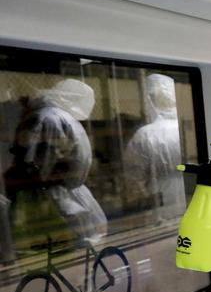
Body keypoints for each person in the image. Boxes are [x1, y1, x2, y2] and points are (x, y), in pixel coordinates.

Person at [8, 78, 107, 246]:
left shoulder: (49, 117)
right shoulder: (57, 117)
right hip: (63, 194)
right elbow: (48, 161)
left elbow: (40, 161)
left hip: (59, 194)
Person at [124, 74, 186, 224]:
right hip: (191, 196)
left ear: (149, 99)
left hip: (160, 200)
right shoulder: (187, 128)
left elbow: (134, 179)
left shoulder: (146, 134)